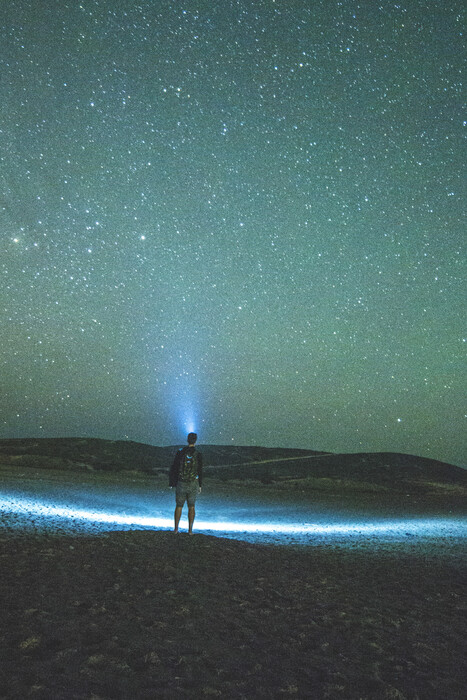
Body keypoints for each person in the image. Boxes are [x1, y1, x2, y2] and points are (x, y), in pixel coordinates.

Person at [169, 432, 203, 534]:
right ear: (195, 440)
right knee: (191, 506)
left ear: (187, 440)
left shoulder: (180, 452)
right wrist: (200, 485)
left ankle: (176, 529)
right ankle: (190, 530)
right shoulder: (198, 454)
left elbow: (174, 467)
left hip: (181, 482)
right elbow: (200, 470)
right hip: (193, 483)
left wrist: (172, 483)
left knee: (179, 506)